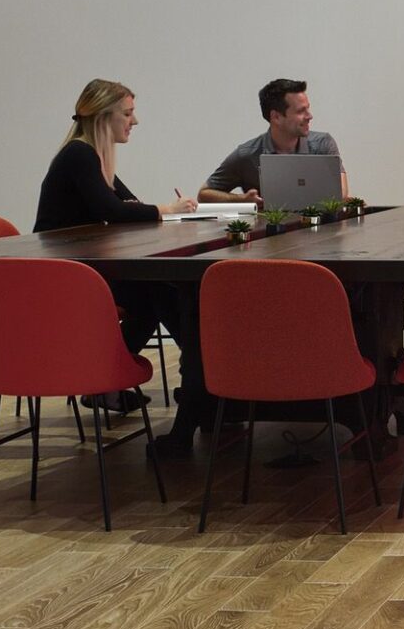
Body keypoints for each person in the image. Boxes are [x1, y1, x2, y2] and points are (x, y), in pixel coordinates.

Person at [33, 80, 198, 427]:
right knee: (159, 292)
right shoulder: (79, 154)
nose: (133, 122)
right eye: (128, 113)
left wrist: (157, 209)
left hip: (84, 268)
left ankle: (193, 379)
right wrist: (166, 208)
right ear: (104, 117)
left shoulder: (92, 157)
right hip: (66, 275)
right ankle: (199, 379)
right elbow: (117, 210)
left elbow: (126, 203)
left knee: (156, 291)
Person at [198, 78, 343, 205]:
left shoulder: (323, 144)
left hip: (322, 231)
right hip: (272, 233)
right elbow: (204, 194)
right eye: (300, 111)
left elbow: (342, 193)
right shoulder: (247, 154)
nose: (309, 116)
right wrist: (242, 199)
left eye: (308, 109)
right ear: (276, 117)